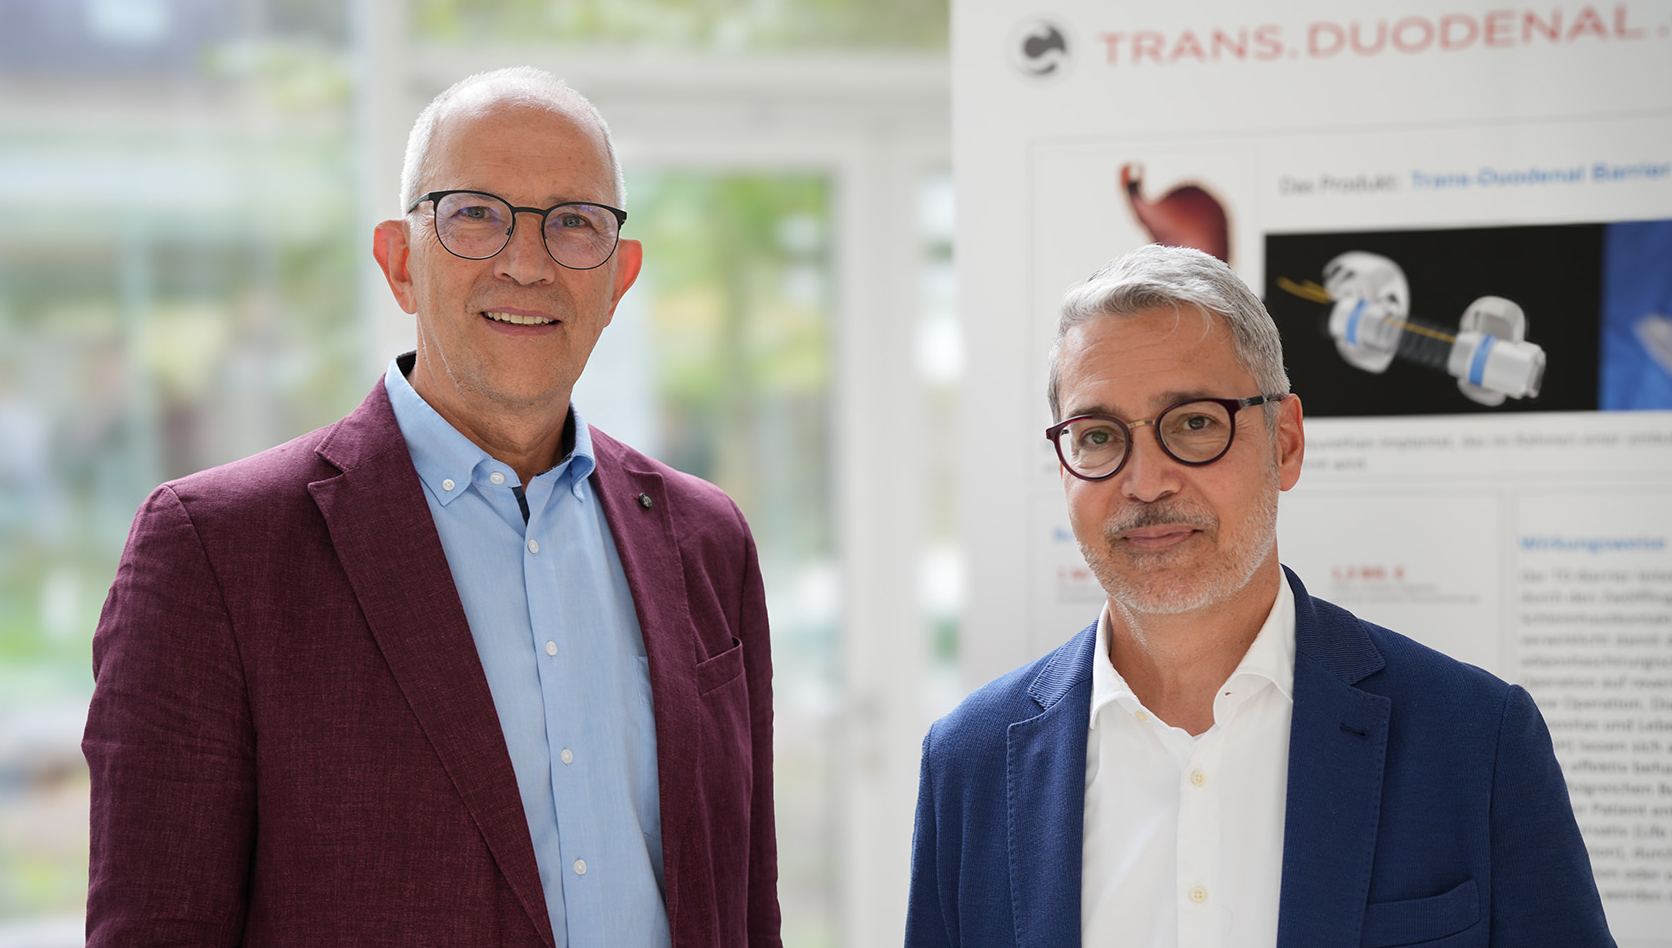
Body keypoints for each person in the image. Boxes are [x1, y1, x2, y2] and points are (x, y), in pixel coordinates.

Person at [84, 67, 780, 948]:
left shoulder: (706, 543)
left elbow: (747, 909)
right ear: (399, 261)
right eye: (475, 214)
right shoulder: (218, 553)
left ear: (620, 276)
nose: (526, 262)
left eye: (573, 223)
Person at [904, 244, 1612, 947]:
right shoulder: (968, 765)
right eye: (1097, 435)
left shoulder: (1476, 742)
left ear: (1287, 445)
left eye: (1194, 423)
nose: (1146, 482)